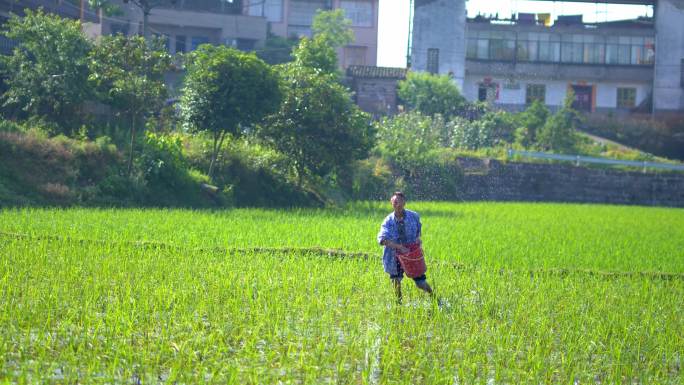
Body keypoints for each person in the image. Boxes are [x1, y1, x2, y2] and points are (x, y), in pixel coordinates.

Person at [377, 191, 435, 303]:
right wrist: (399, 247)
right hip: (394, 256)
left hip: (411, 254)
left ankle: (434, 297)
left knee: (420, 283)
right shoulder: (388, 221)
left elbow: (418, 230)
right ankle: (399, 303)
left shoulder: (414, 216)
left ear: (404, 203)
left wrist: (418, 240)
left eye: (399, 202)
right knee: (396, 281)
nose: (397, 204)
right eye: (394, 202)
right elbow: (382, 240)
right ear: (391, 203)